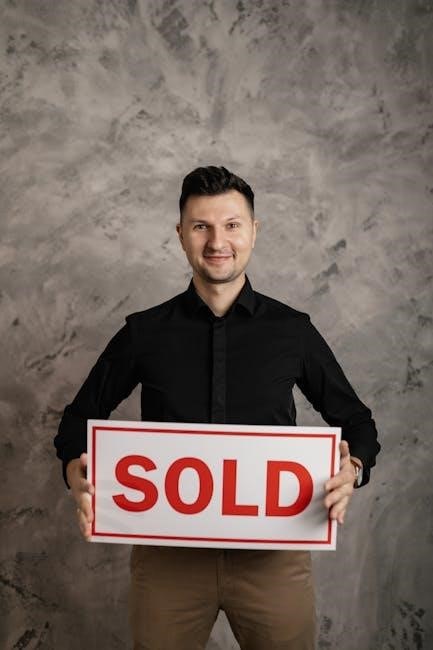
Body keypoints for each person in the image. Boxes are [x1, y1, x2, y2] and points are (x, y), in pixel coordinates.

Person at [55, 165, 380, 650]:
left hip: (273, 556)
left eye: (231, 225)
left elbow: (357, 423)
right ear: (180, 234)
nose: (217, 241)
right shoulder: (144, 333)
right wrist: (75, 472)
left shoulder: (292, 332)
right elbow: (75, 423)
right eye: (201, 226)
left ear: (254, 231)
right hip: (168, 562)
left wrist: (351, 470)